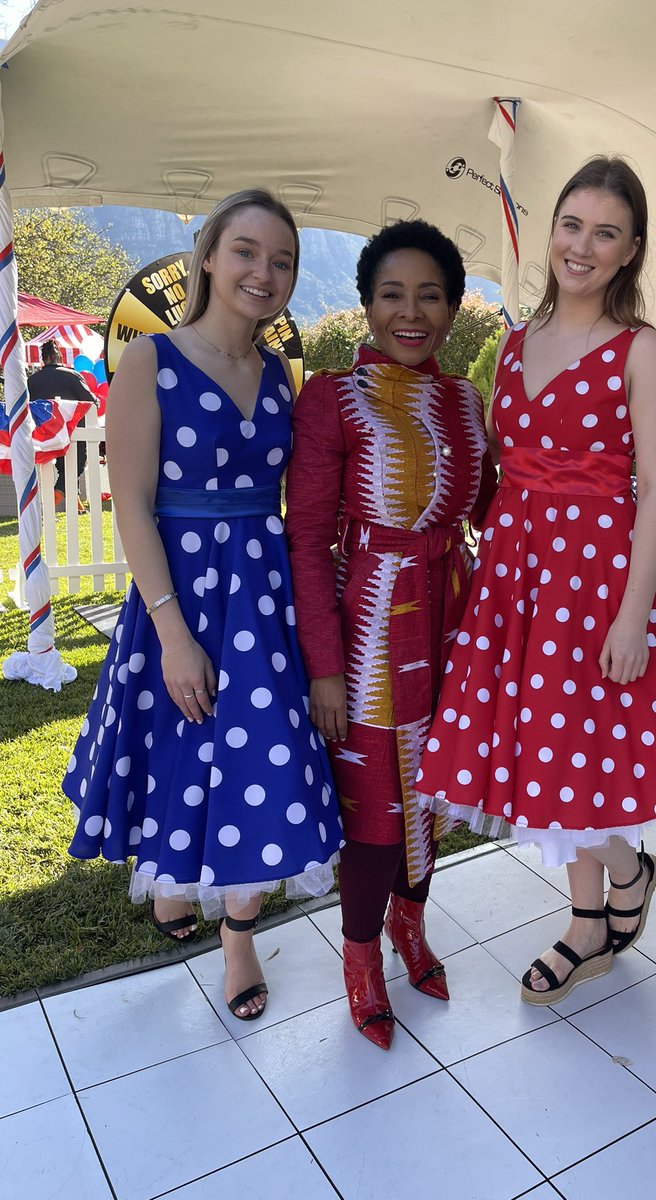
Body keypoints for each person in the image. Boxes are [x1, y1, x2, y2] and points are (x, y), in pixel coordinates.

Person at [415, 157, 656, 1006]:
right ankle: (593, 916)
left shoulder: (644, 351)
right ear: (551, 231)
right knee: (549, 761)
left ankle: (621, 885)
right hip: (519, 585)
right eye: (571, 225)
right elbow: (503, 468)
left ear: (631, 250)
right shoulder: (516, 342)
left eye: (606, 232)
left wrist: (632, 617)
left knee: (575, 761)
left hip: (599, 588)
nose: (582, 246)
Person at [64, 189, 344, 1021]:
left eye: (283, 259)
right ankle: (174, 884)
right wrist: (174, 634)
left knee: (258, 762)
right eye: (248, 252)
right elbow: (132, 507)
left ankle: (239, 938)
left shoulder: (280, 375)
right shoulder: (148, 363)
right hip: (177, 596)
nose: (265, 272)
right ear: (210, 258)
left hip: (262, 601)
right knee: (185, 752)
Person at [285, 219, 496, 1049]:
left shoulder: (464, 400)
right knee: (376, 807)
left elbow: (492, 509)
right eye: (392, 295)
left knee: (434, 790)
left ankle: (413, 926)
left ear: (452, 307)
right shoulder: (333, 397)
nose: (411, 313)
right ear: (367, 303)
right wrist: (324, 670)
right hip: (370, 621)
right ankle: (362, 958)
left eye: (430, 295)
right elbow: (305, 539)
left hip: (455, 614)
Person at [27, 339, 96, 512]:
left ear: (45, 358)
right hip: (73, 431)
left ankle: (75, 505)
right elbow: (91, 401)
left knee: (62, 469)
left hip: (44, 435)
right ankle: (49, 504)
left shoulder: (32, 380)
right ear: (58, 356)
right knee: (75, 466)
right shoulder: (72, 375)